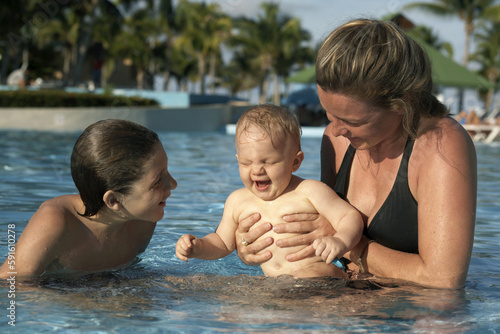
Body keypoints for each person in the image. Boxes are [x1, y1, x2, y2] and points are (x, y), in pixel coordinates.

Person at [234, 19, 477, 289]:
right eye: (329, 115)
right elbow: (312, 230)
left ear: (402, 102)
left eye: (354, 122)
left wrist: (350, 244)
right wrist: (248, 244)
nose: (337, 130)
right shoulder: (335, 141)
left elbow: (444, 281)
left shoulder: (440, 146)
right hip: (338, 299)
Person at [175, 105, 363, 278]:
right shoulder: (237, 201)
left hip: (321, 271)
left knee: (312, 274)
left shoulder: (309, 191)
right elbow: (222, 243)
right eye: (246, 163)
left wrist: (341, 240)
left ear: (295, 162)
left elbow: (349, 216)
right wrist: (198, 247)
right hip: (277, 283)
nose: (256, 170)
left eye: (269, 162)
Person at [0, 119, 177, 279]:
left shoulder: (143, 217)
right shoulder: (56, 221)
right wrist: (89, 302)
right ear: (114, 201)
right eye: (157, 181)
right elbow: (11, 285)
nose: (173, 184)